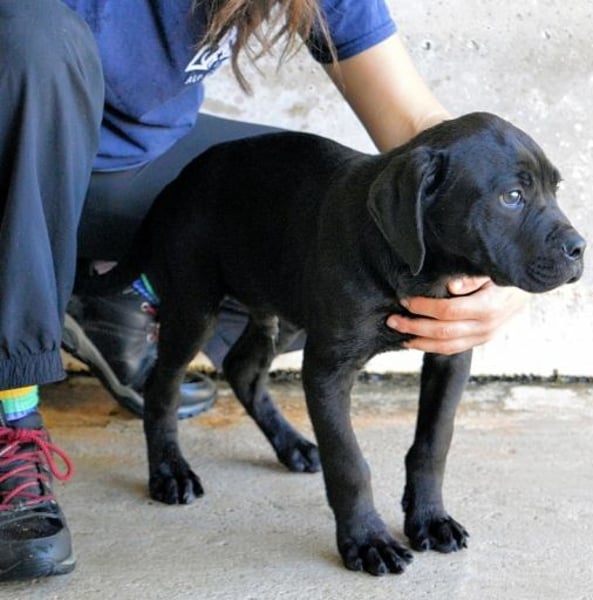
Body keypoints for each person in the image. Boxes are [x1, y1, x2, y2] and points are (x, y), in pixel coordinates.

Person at [0, 0, 528, 582]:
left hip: (147, 155)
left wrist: (506, 257)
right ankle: (11, 402)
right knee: (30, 32)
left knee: (328, 205)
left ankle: (112, 298)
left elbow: (414, 122)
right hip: (27, 155)